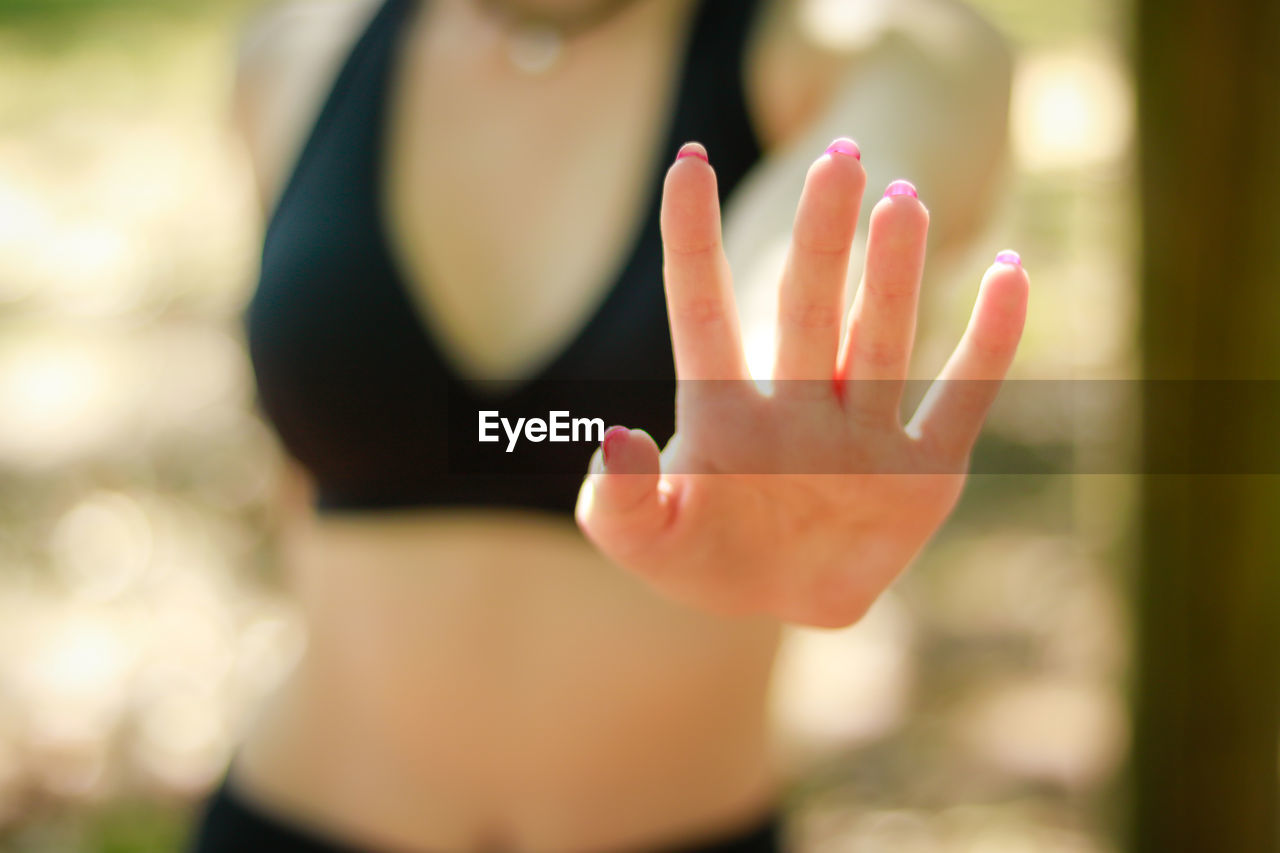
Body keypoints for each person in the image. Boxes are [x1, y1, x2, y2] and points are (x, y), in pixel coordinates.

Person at [191, 0, 1026, 850]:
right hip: (291, 822)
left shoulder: (857, 45)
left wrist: (787, 376)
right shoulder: (293, 55)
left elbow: (878, 159)